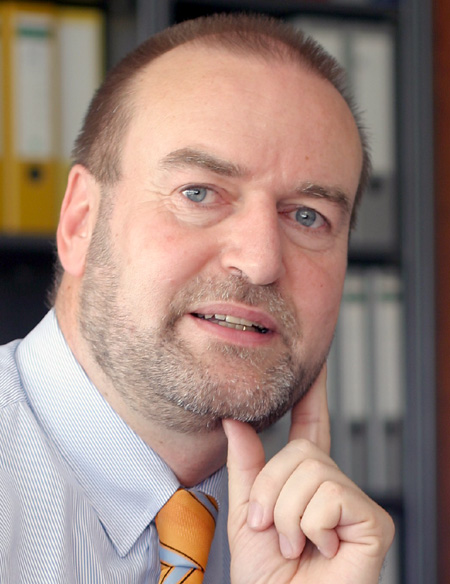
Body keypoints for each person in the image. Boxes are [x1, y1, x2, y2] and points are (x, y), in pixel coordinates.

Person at [0, 12, 394, 584]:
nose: (260, 261)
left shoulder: (307, 541)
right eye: (200, 193)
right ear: (81, 221)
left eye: (308, 216)